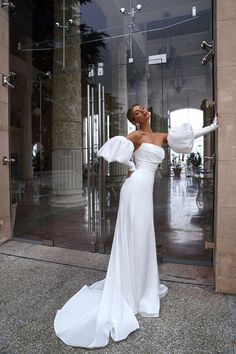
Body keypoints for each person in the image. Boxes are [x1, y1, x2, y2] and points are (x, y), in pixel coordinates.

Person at [54, 104, 221, 348]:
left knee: (143, 237)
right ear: (134, 119)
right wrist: (132, 167)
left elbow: (189, 136)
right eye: (136, 111)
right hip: (134, 190)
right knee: (135, 235)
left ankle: (141, 287)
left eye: (142, 108)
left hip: (145, 191)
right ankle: (130, 291)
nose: (142, 111)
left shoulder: (161, 135)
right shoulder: (136, 136)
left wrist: (213, 127)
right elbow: (113, 150)